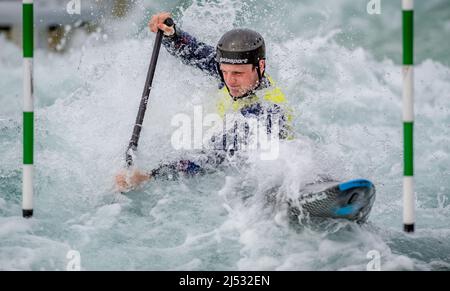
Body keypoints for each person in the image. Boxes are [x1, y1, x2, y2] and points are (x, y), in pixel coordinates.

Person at [116, 12, 293, 192]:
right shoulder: (234, 73)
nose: (229, 81)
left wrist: (150, 176)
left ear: (260, 66)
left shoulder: (267, 112)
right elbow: (194, 52)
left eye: (238, 74)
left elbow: (208, 158)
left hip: (258, 177)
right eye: (224, 71)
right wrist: (171, 34)